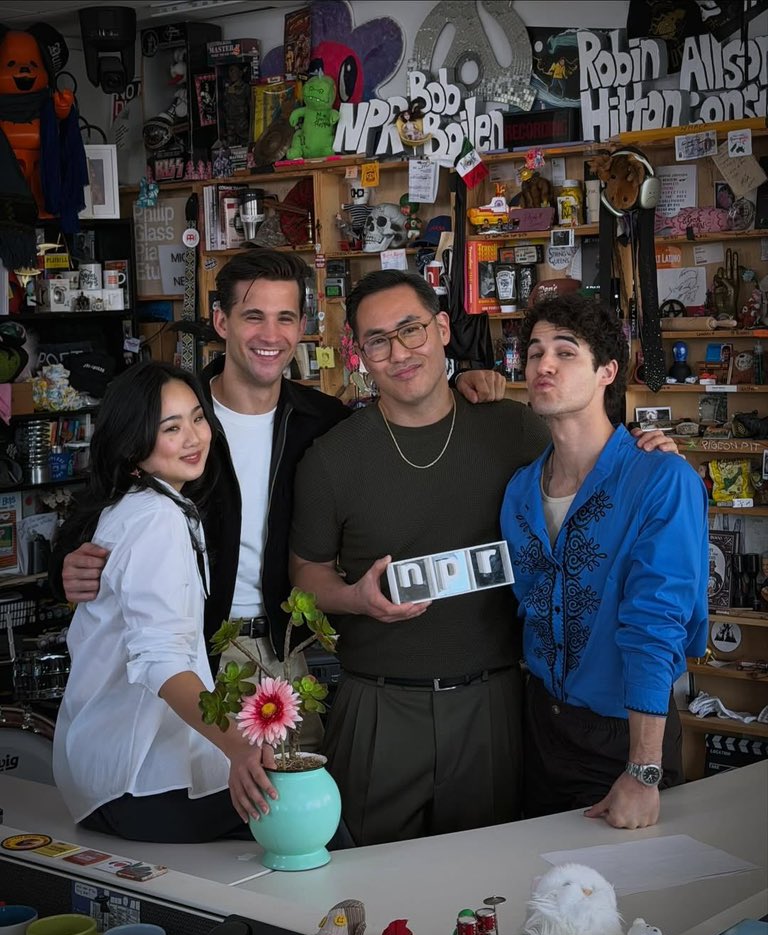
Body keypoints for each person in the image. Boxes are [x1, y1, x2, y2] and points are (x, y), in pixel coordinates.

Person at [55, 251, 505, 824]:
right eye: (253, 317)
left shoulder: (322, 421)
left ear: (303, 324)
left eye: (286, 317)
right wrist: (66, 566)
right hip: (190, 653)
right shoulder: (175, 413)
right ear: (221, 323)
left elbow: (404, 417)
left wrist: (460, 379)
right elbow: (101, 504)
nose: (272, 335)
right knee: (217, 820)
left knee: (293, 821)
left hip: (286, 655)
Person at [289, 270, 678, 847]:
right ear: (359, 354)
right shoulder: (332, 458)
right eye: (377, 340)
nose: (399, 352)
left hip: (496, 704)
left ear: (442, 328)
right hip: (377, 704)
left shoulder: (514, 427)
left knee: (489, 890)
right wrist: (354, 599)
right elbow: (305, 578)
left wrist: (652, 451)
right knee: (364, 884)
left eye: (412, 329)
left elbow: (594, 463)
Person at [499, 294, 709, 830]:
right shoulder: (520, 491)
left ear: (607, 372)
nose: (544, 364)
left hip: (627, 736)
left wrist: (643, 770)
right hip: (540, 727)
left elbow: (656, 625)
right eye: (535, 352)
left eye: (566, 352)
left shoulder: (662, 478)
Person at [52, 363, 275, 843]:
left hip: (115, 772)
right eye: (171, 428)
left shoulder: (149, 505)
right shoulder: (156, 517)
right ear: (134, 447)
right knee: (301, 813)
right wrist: (238, 748)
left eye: (198, 419)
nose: (194, 437)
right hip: (133, 779)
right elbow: (161, 662)